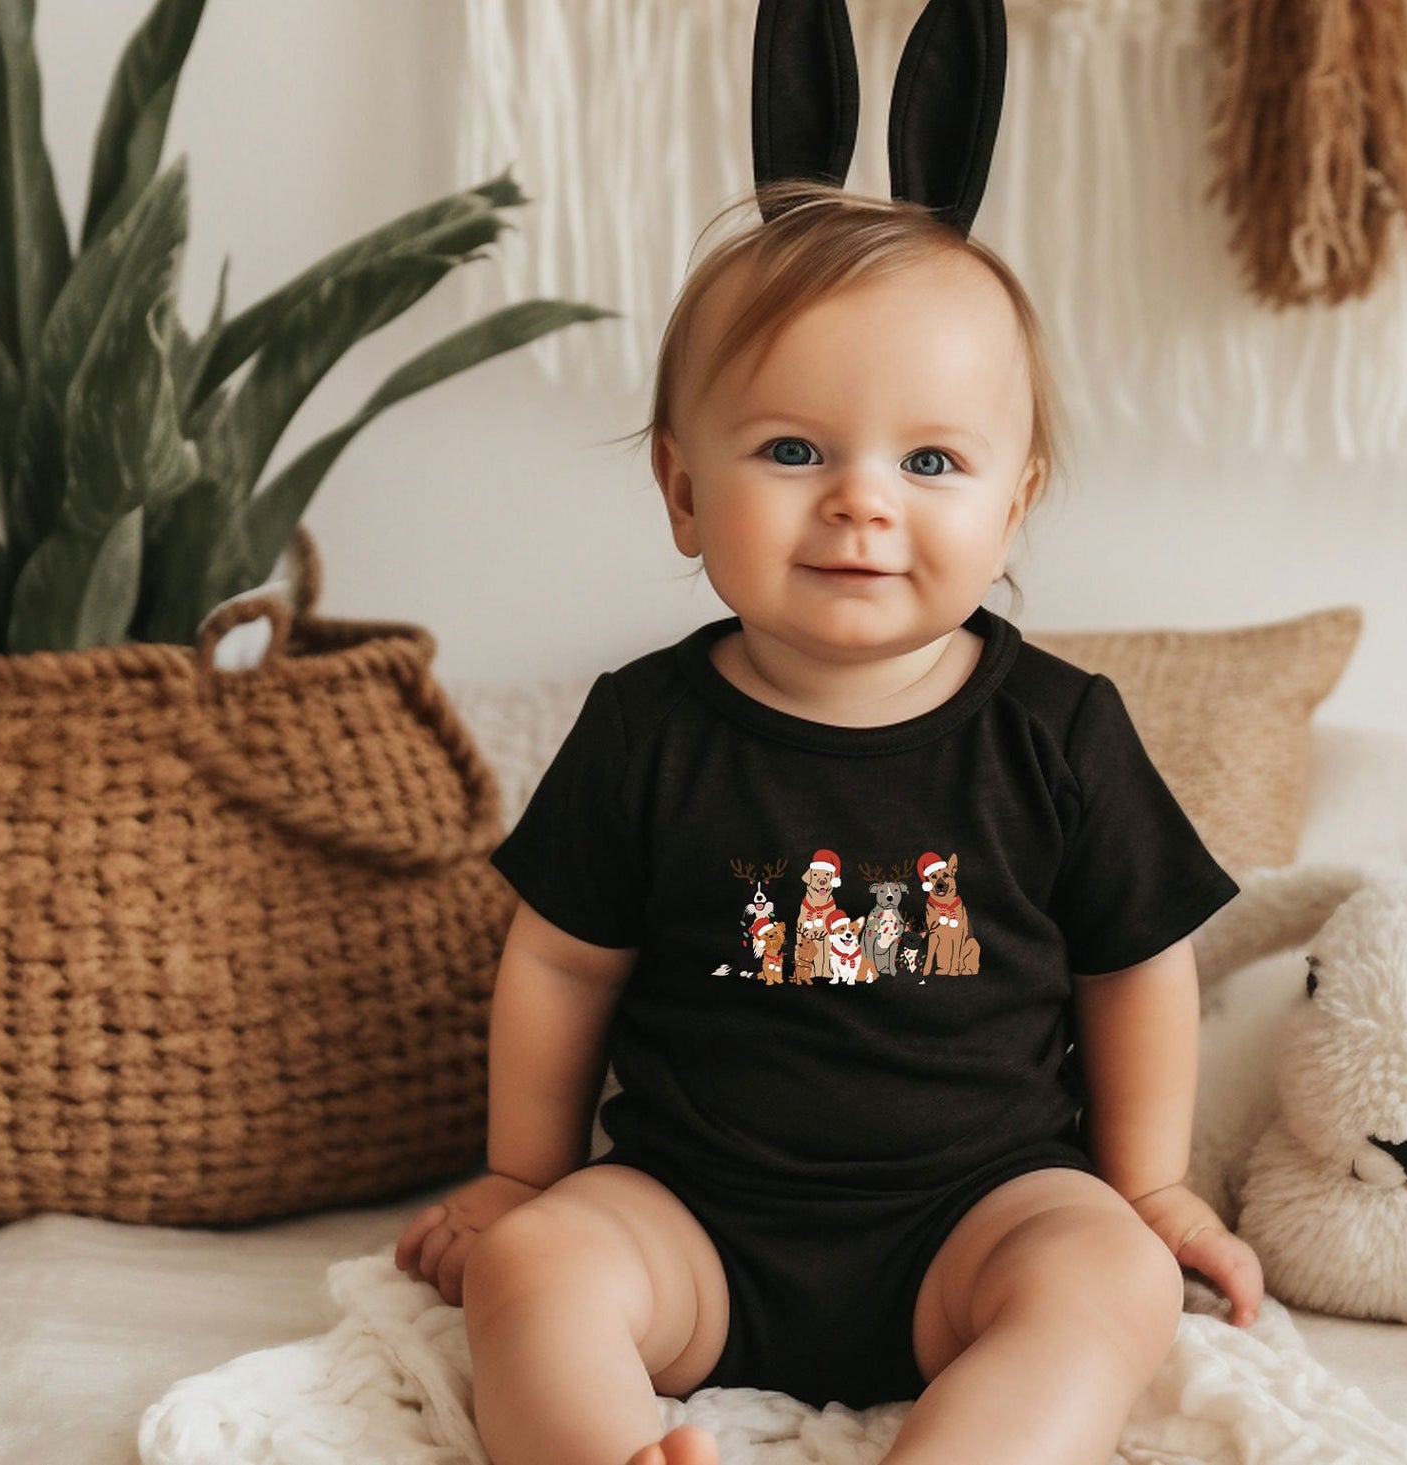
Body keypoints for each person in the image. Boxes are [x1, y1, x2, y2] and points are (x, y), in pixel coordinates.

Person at [394, 176, 1264, 1465]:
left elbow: (1133, 965)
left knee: (1111, 1279)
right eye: (795, 450)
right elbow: (563, 962)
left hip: (978, 1220)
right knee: (533, 1266)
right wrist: (526, 1176)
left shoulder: (1058, 731)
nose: (864, 500)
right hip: (692, 1223)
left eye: (929, 461)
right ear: (683, 492)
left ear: (1011, 503)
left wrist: (1145, 1189)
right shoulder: (646, 728)